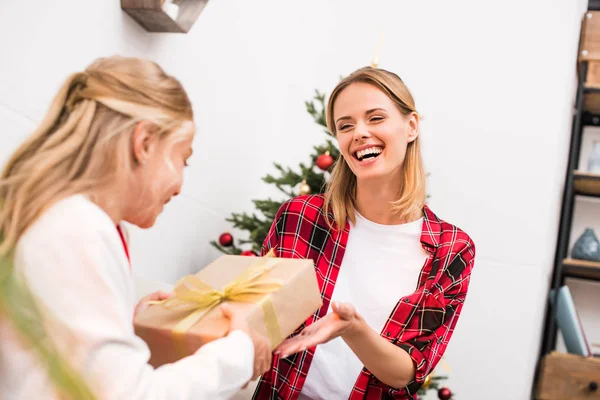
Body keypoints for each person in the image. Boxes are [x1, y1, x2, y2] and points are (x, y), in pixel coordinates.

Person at [0, 56, 271, 400]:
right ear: (143, 143)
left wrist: (123, 323)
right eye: (182, 159)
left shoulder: (86, 224)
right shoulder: (77, 230)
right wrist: (237, 354)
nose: (179, 186)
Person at [252, 66, 476, 400]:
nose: (358, 133)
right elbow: (256, 316)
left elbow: (409, 374)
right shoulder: (301, 217)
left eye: (375, 118)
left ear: (411, 126)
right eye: (345, 125)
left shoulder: (451, 250)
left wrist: (352, 329)